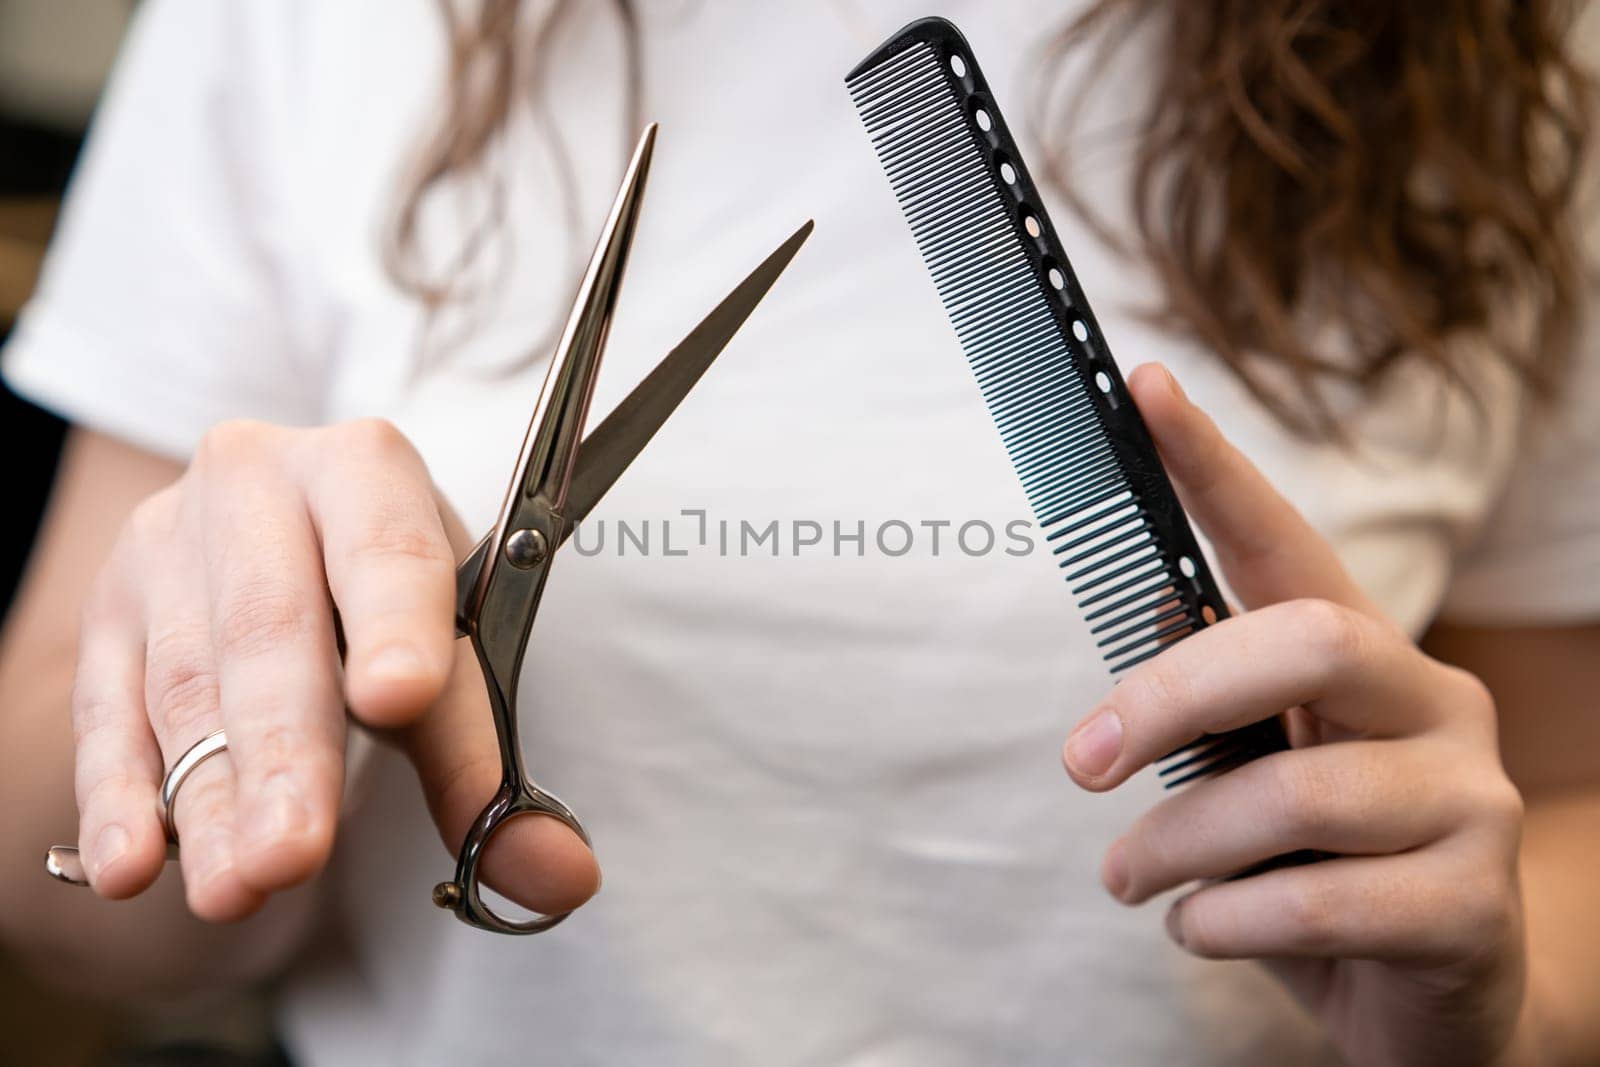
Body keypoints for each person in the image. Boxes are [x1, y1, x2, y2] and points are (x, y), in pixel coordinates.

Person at [1, 1, 1596, 1063]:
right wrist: (234, 727)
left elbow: (1567, 812)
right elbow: (54, 903)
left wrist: (1491, 1001)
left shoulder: (1517, 61)